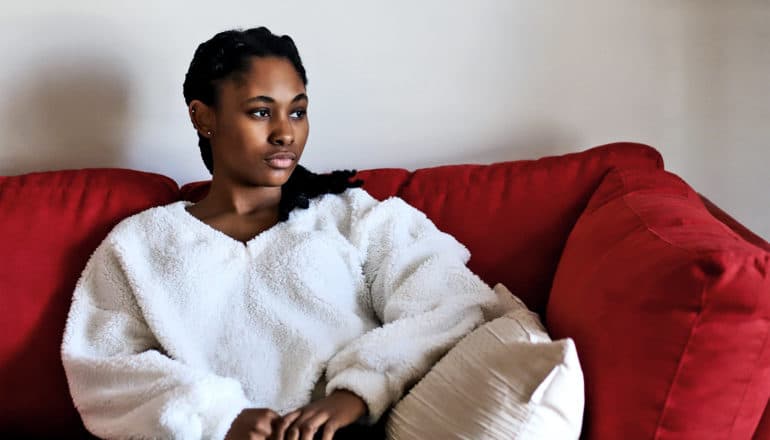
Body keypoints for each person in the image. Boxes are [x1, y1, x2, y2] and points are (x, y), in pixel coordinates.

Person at [61, 27, 497, 440]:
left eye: (298, 111)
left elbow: (452, 299)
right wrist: (219, 418)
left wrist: (356, 393)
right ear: (203, 117)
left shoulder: (353, 217)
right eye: (261, 112)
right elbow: (103, 368)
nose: (285, 132)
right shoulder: (141, 245)